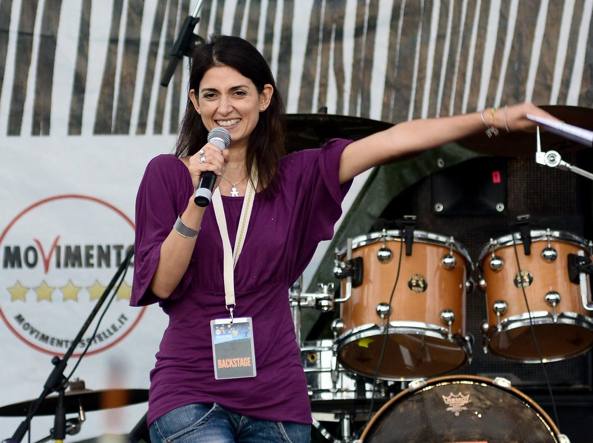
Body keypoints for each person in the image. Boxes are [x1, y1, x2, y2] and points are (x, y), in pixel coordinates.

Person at [130, 35, 556, 443]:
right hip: (191, 393)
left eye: (238, 93)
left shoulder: (297, 177)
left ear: (264, 97)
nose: (224, 107)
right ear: (195, 102)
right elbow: (163, 284)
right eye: (211, 95)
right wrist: (198, 199)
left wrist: (492, 119)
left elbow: (394, 141)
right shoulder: (168, 176)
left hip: (276, 400)